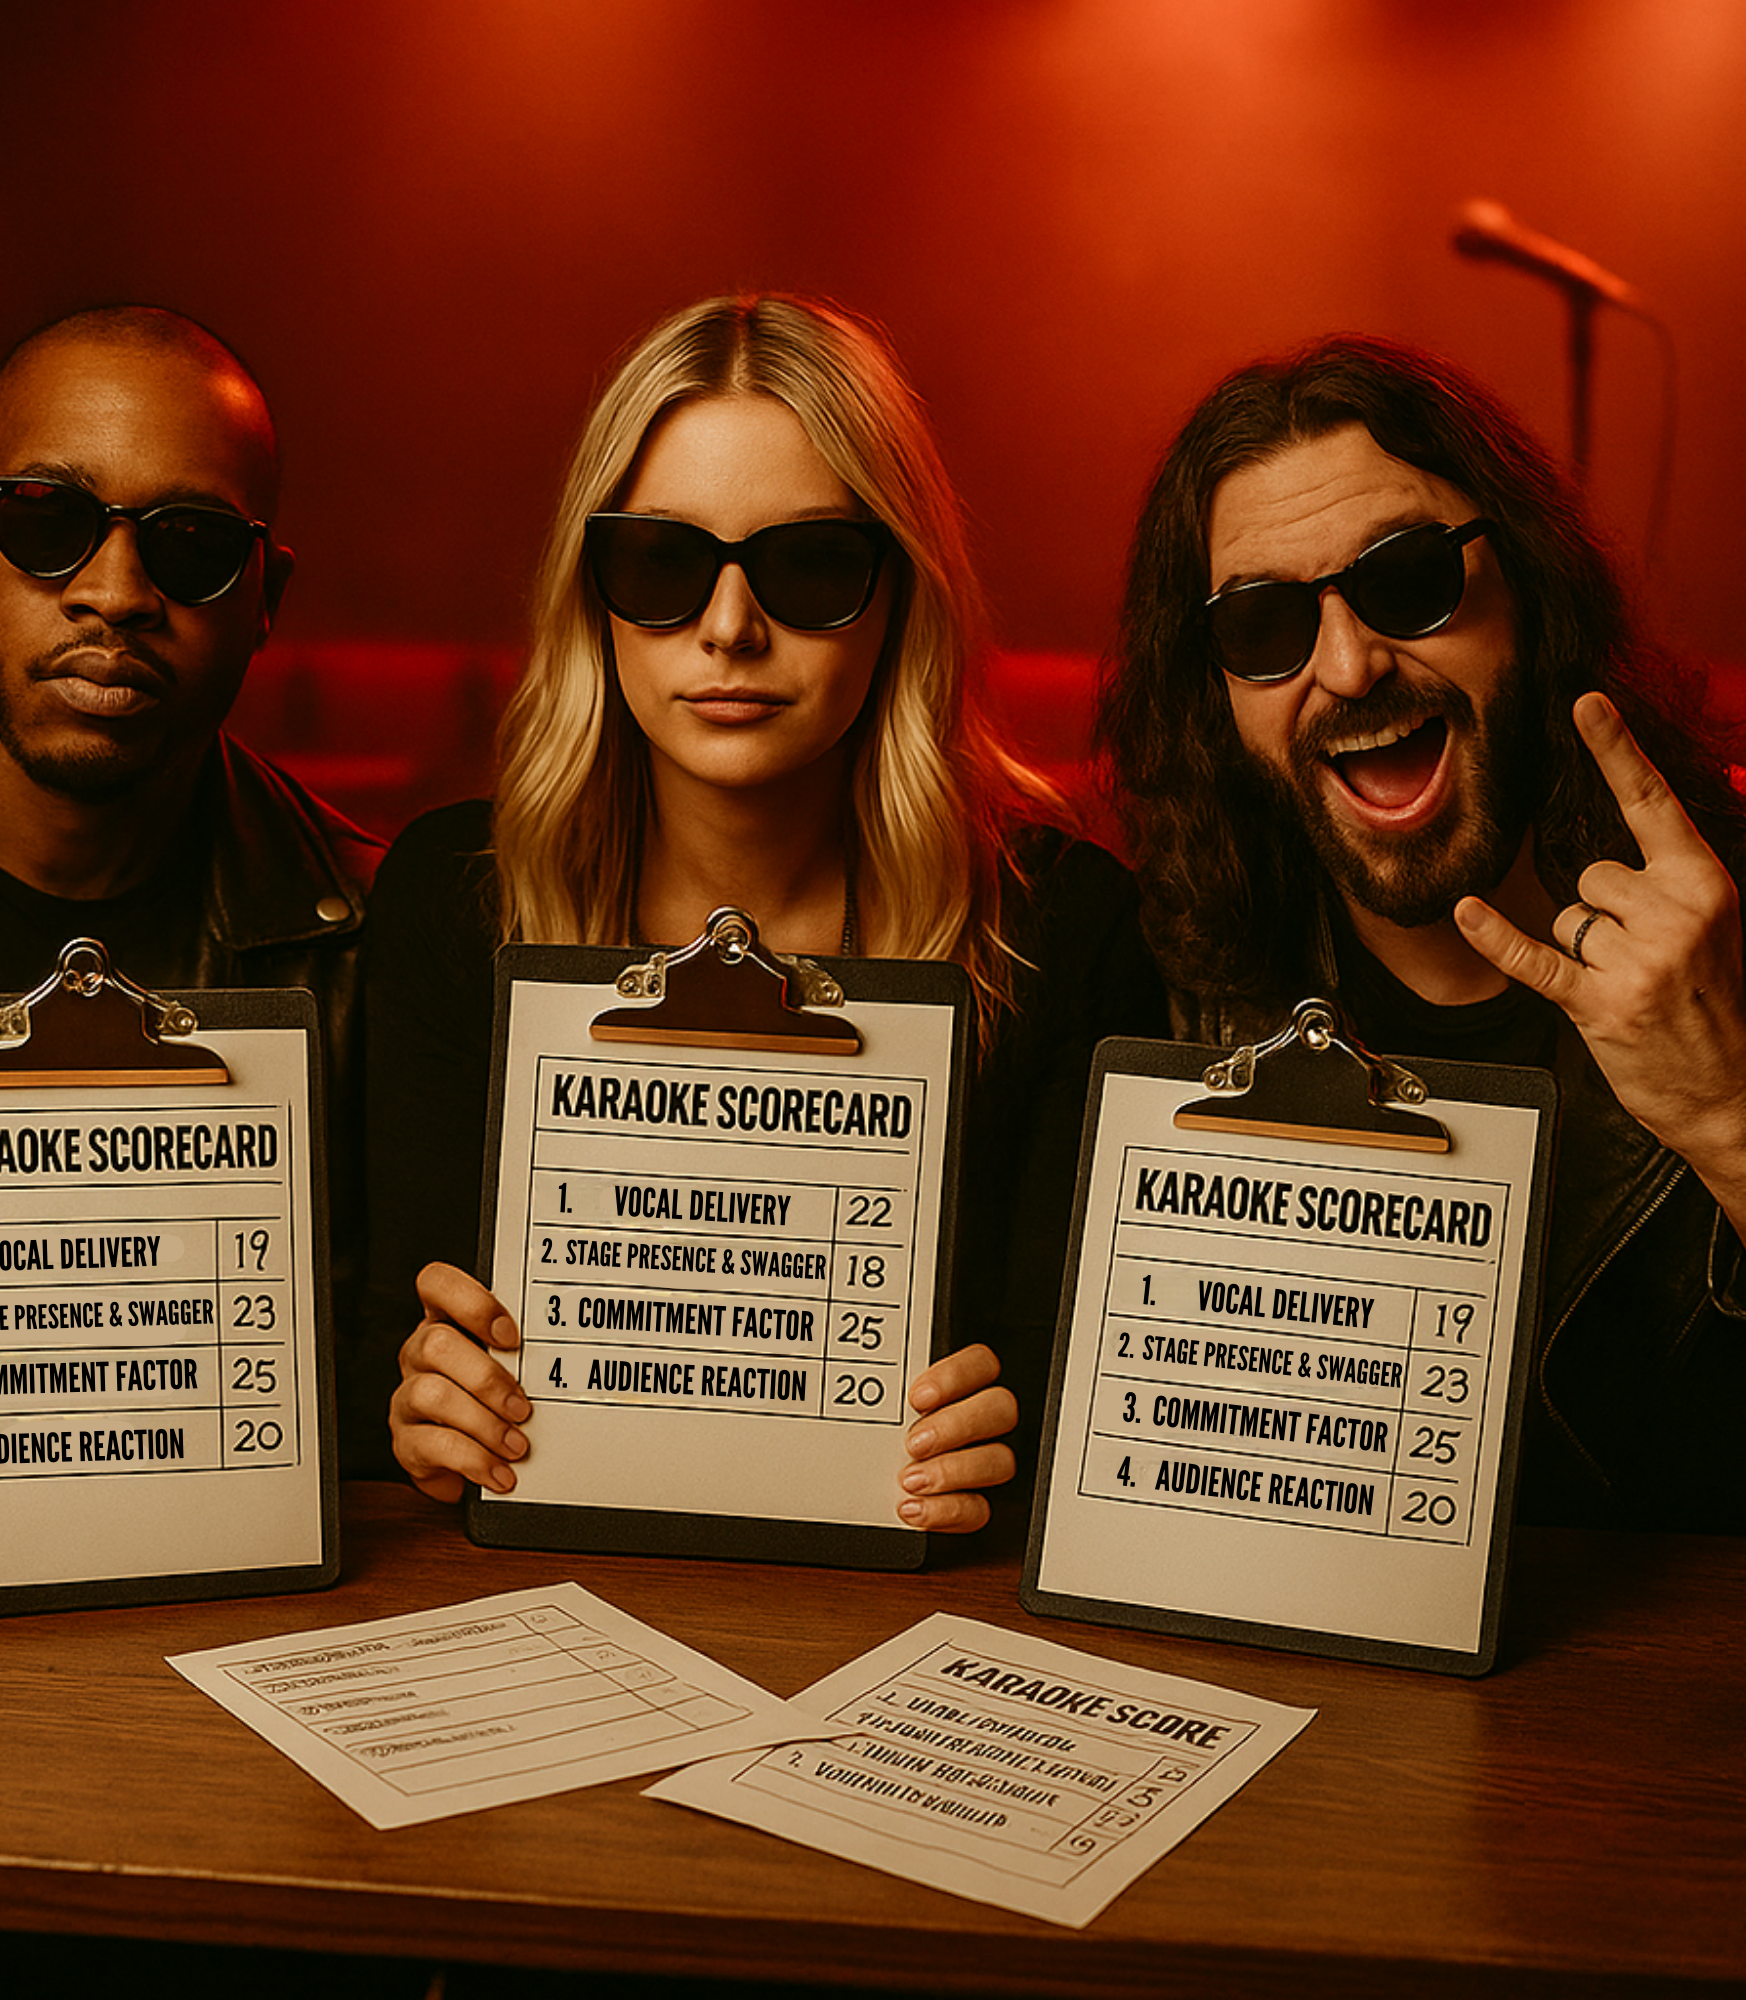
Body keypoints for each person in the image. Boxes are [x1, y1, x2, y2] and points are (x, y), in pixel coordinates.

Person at [369, 293, 1162, 1531]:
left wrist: (1017, 1437)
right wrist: (418, 1402)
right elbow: (391, 1345)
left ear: (897, 592)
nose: (730, 628)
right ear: (594, 593)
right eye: (662, 565)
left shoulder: (1064, 929)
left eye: (807, 567)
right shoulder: (448, 901)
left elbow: (1088, 1407)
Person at [0, 305, 384, 1589]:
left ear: (265, 597)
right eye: (47, 518)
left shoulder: (370, 939)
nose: (113, 591)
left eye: (192, 543)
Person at [1104, 331, 1746, 1532]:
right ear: (1216, 695)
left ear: (1527, 590)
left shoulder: (1737, 910)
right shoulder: (1178, 976)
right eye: (1263, 627)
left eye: (1406, 582)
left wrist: (1731, 1124)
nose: (1348, 666)